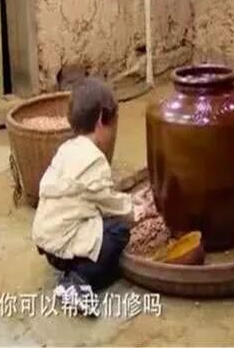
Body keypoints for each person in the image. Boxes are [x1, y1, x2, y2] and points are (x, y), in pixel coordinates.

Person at [32, 77, 152, 315]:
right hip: (62, 245)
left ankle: (76, 271)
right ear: (101, 121)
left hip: (47, 240)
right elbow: (111, 206)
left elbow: (97, 196)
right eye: (114, 124)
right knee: (118, 232)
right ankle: (77, 281)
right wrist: (139, 211)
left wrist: (130, 199)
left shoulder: (68, 149)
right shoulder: (95, 160)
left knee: (105, 226)